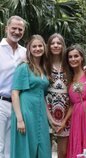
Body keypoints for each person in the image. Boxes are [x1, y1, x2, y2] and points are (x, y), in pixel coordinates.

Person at [11, 34, 55, 158]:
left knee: (43, 146)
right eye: (34, 46)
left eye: (40, 46)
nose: (37, 49)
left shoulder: (44, 69)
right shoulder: (23, 67)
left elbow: (43, 97)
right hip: (26, 112)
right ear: (29, 49)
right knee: (26, 147)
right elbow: (14, 94)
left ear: (44, 48)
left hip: (40, 112)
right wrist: (20, 120)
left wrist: (51, 119)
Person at [0, 15, 26, 158]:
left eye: (20, 29)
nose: (16, 31)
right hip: (1, 102)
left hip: (17, 106)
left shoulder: (24, 52)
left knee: (11, 147)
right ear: (6, 29)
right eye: (14, 28)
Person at [46, 33, 71, 158]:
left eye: (59, 43)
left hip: (65, 111)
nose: (56, 45)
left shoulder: (69, 64)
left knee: (63, 152)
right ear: (49, 46)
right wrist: (50, 117)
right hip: (47, 110)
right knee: (45, 150)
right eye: (53, 43)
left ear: (63, 45)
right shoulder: (44, 64)